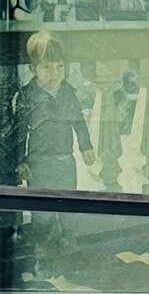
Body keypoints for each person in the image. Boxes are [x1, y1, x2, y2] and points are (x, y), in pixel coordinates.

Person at [14, 30, 95, 190]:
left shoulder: (67, 92)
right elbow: (19, 131)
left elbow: (78, 121)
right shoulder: (27, 95)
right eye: (47, 67)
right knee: (41, 203)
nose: (55, 73)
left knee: (67, 201)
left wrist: (86, 146)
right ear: (33, 69)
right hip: (39, 163)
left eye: (60, 66)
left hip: (65, 161)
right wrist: (20, 161)